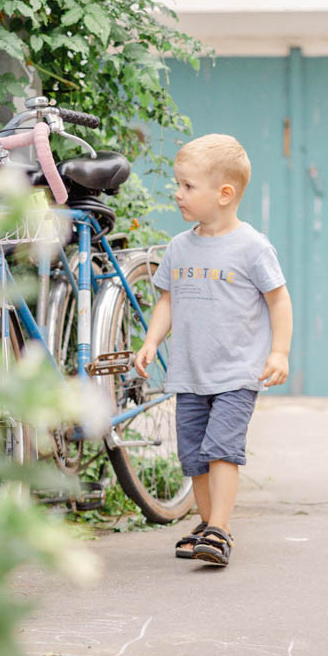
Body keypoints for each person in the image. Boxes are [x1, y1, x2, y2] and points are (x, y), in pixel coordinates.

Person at [132, 134, 292, 567]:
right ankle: (208, 527)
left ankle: (220, 529)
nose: (177, 193)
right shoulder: (179, 247)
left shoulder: (252, 247)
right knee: (195, 458)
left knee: (222, 449)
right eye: (178, 184)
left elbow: (278, 299)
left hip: (237, 373)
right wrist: (150, 342)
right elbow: (167, 300)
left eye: (187, 186)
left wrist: (279, 352)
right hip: (190, 374)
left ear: (225, 194)